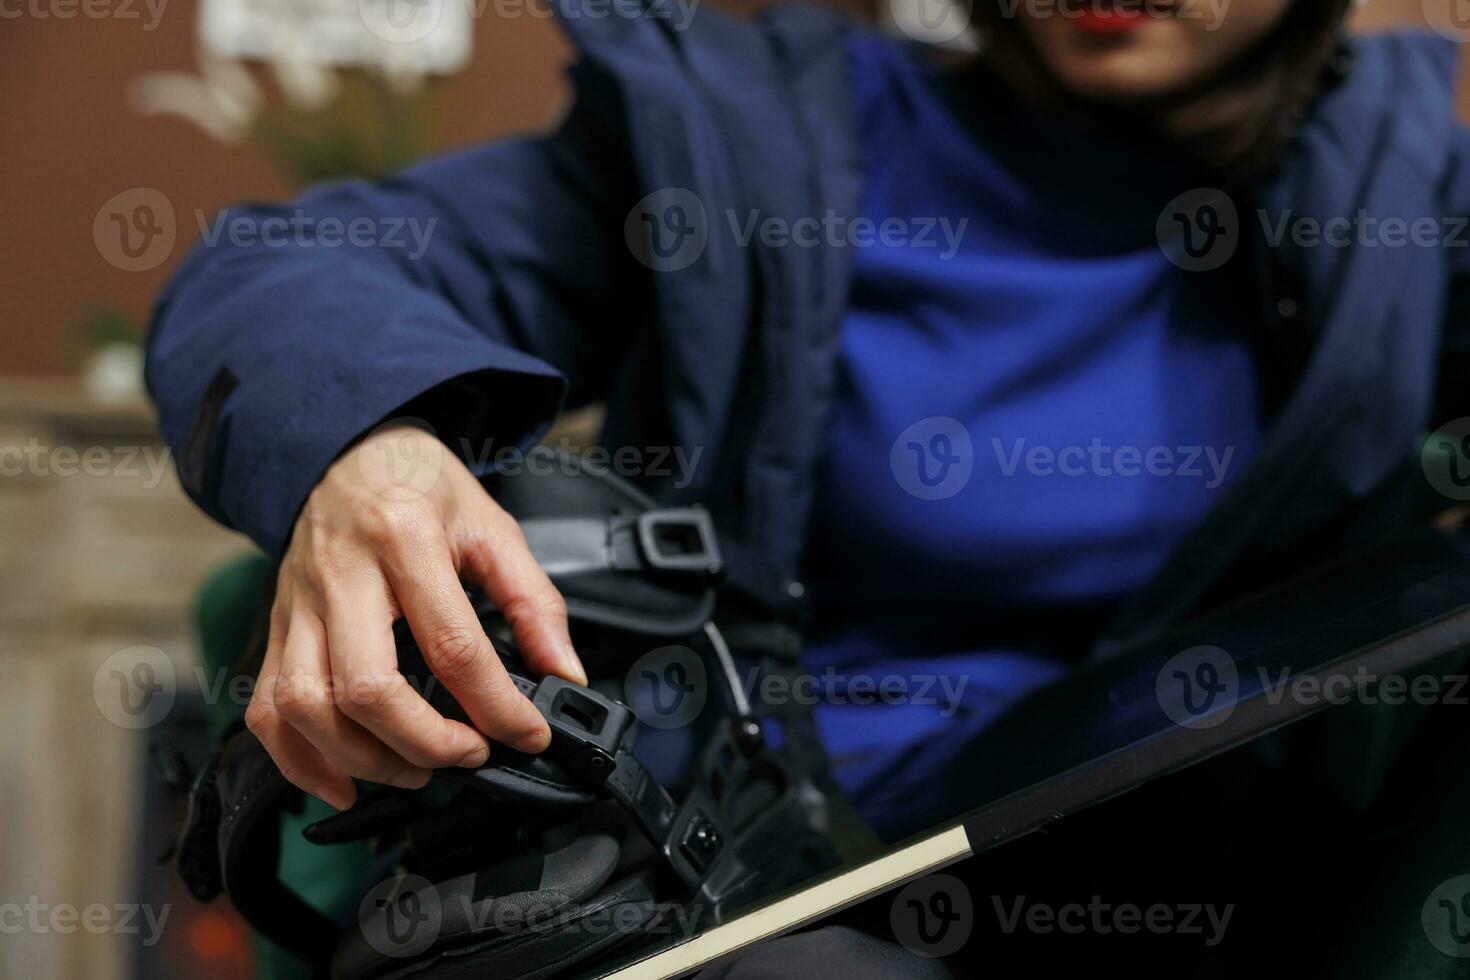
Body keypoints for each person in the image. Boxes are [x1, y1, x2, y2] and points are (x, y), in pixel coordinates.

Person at [148, 0, 1470, 969]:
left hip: (1169, 905)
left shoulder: (1401, 206)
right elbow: (291, 260)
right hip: (719, 884)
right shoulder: (744, 132)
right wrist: (368, 441)